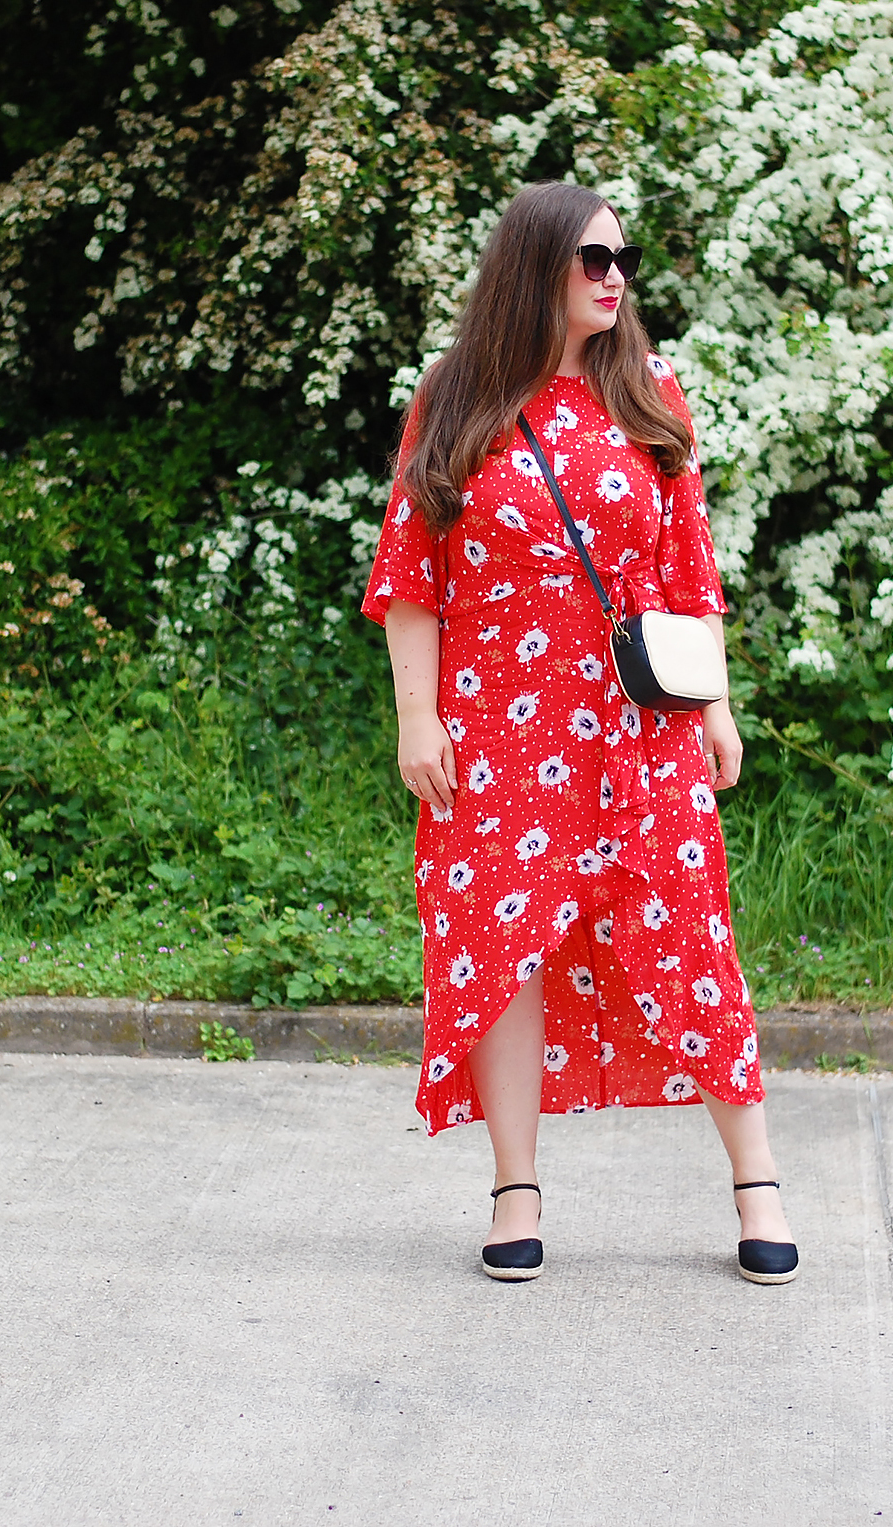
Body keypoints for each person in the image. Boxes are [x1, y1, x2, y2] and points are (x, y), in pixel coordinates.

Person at [360, 180, 797, 1285]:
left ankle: (756, 1180)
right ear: (534, 267)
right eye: (592, 259)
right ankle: (515, 1189)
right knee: (503, 955)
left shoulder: (650, 391)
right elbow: (414, 578)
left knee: (689, 933)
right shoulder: (454, 397)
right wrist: (419, 720)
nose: (615, 278)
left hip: (636, 729)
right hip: (498, 728)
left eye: (622, 260)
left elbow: (690, 569)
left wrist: (717, 707)